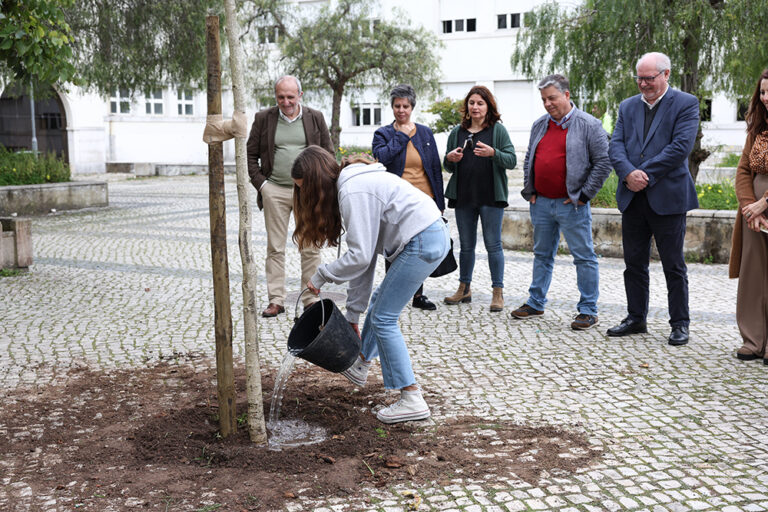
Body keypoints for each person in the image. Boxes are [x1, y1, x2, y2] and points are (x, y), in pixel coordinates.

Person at [292, 146, 449, 424]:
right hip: (430, 235)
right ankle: (361, 364)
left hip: (423, 239)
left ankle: (411, 398)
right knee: (379, 302)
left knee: (383, 318)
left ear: (316, 184)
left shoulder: (352, 191)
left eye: (304, 190)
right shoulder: (352, 184)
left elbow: (360, 257)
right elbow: (364, 261)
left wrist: (320, 276)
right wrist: (353, 315)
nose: (303, 197)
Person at [607, 52, 699, 346]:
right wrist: (627, 174)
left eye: (649, 78)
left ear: (666, 74)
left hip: (668, 198)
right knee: (633, 263)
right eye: (640, 78)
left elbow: (680, 147)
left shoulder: (686, 103)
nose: (643, 84)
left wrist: (643, 174)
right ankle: (636, 318)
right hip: (632, 197)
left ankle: (680, 323)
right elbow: (615, 145)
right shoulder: (627, 106)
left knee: (673, 265)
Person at [514, 74, 611, 329]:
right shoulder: (539, 124)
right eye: (544, 100)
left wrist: (584, 195)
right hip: (541, 203)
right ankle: (536, 302)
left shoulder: (589, 124)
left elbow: (603, 162)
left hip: (573, 205)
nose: (548, 104)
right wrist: (530, 190)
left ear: (567, 95)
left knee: (584, 257)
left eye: (552, 98)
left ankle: (588, 310)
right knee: (542, 255)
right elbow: (529, 158)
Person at [246, 75, 334, 317]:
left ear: (300, 96)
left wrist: (321, 186)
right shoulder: (263, 118)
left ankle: (310, 299)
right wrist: (262, 185)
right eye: (281, 97)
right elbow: (250, 155)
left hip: (307, 192)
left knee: (310, 246)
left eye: (290, 97)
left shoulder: (315, 117)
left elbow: (328, 153)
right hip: (274, 189)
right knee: (275, 247)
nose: (286, 102)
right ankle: (276, 299)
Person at [443, 85, 517, 312]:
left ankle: (497, 292)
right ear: (467, 106)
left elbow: (511, 160)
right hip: (464, 196)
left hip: (490, 196)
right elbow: (448, 166)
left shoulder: (497, 131)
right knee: (466, 246)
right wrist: (450, 158)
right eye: (472, 103)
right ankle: (464, 288)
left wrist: (493, 153)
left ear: (488, 106)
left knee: (493, 245)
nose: (475, 107)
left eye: (480, 103)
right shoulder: (457, 132)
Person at [372, 84, 445, 311]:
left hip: (424, 200)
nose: (401, 110)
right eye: (397, 106)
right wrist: (401, 136)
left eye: (405, 106)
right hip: (396, 202)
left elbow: (435, 168)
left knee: (419, 247)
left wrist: (439, 203)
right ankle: (393, 292)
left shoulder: (425, 133)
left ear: (412, 107)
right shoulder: (383, 134)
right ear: (392, 107)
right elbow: (381, 158)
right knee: (394, 247)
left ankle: (418, 295)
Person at [729, 69, 768, 363]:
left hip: (763, 206)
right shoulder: (757, 127)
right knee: (753, 277)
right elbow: (743, 170)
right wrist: (749, 207)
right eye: (763, 92)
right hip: (753, 214)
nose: (766, 98)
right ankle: (753, 340)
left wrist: (764, 203)